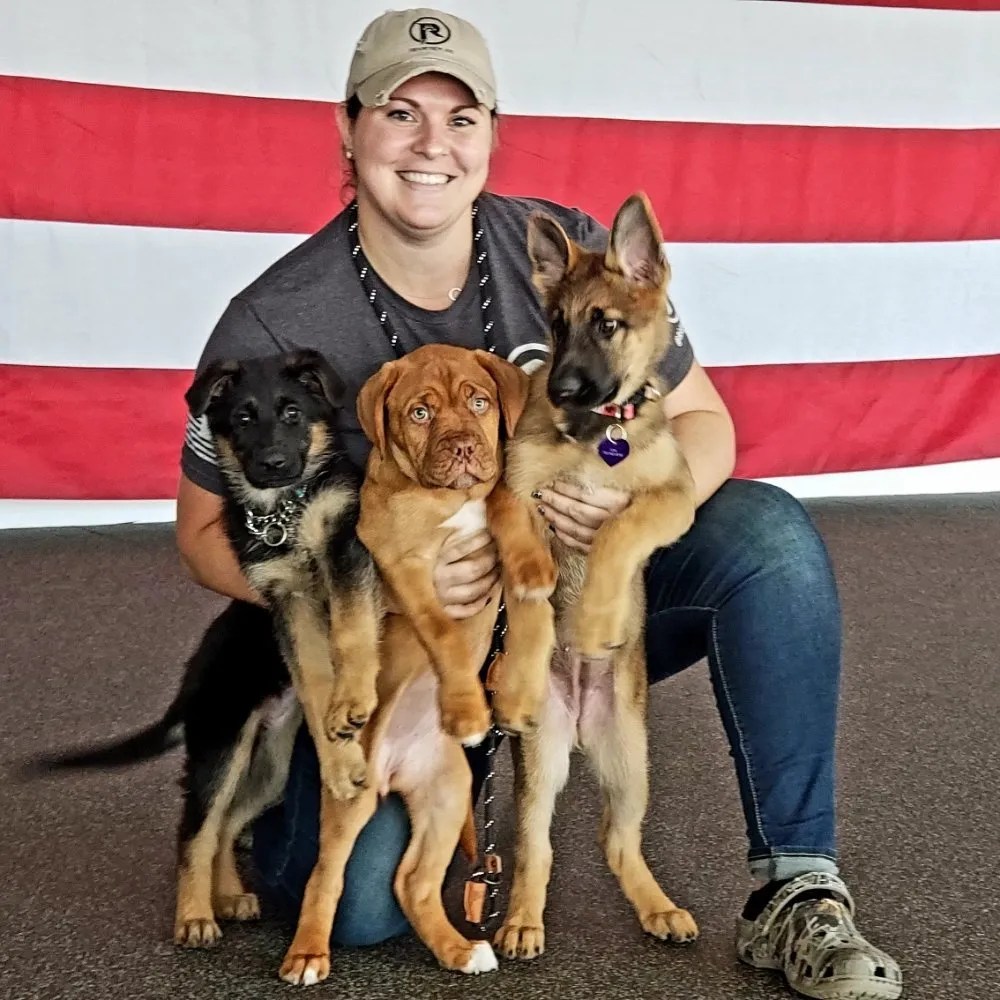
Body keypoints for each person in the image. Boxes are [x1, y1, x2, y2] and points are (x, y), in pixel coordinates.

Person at [175, 9, 903, 999]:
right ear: (347, 129)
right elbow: (201, 536)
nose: (432, 145)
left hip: (571, 598)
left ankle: (797, 883)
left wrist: (621, 512)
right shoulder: (271, 320)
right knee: (362, 913)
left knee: (769, 534)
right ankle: (274, 810)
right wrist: (386, 586)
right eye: (399, 113)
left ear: (492, 133)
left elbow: (705, 425)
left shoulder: (568, 251)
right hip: (409, 653)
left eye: (460, 118)